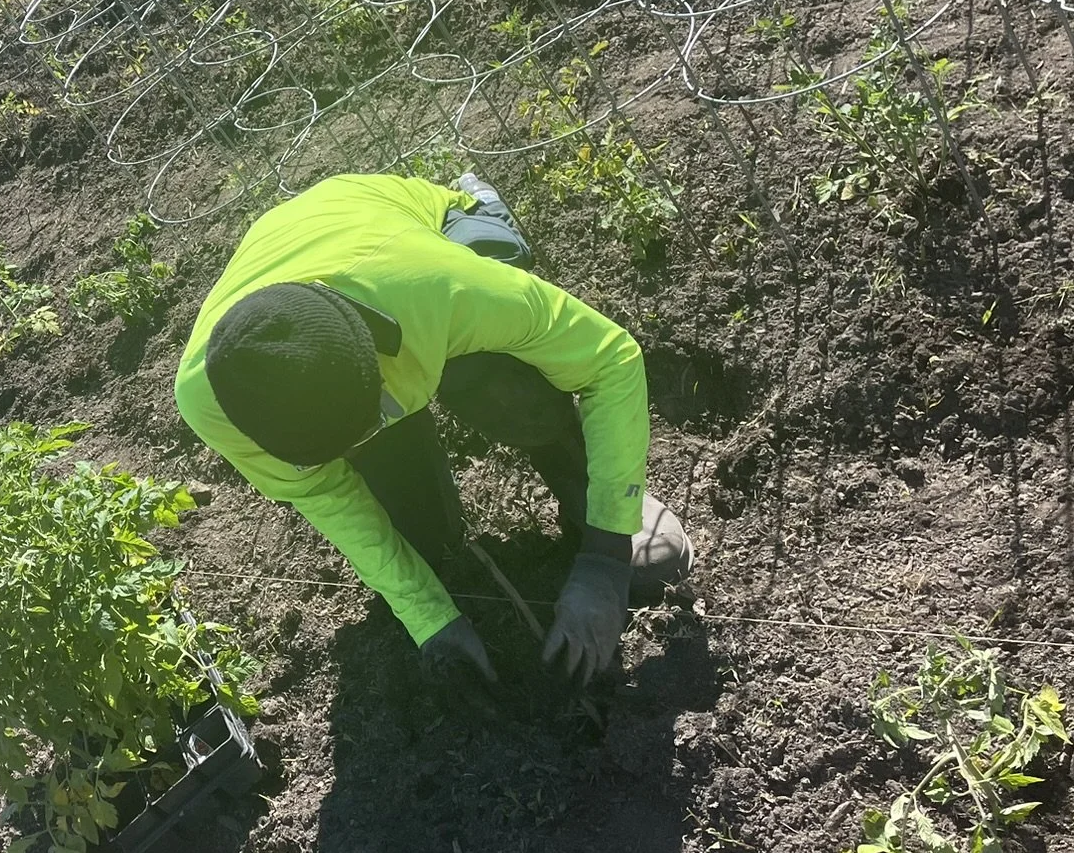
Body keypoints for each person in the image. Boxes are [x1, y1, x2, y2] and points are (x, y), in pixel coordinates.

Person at [173, 172, 692, 708]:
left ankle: (577, 480)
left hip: (398, 235)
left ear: (374, 357)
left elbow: (611, 359)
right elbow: (323, 495)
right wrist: (432, 622)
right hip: (299, 278)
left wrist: (605, 558)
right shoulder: (215, 402)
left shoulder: (439, 288)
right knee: (419, 537)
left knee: (508, 388)